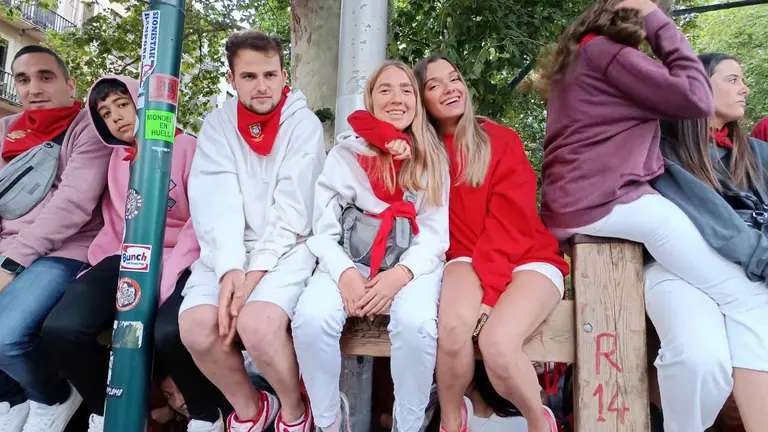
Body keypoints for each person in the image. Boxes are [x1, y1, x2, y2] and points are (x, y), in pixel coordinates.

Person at [38, 75, 230, 432]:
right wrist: (101, 273)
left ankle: (206, 416)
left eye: (122, 105)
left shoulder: (188, 147)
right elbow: (117, 221)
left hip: (182, 257)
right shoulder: (116, 159)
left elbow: (200, 222)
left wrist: (169, 275)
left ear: (142, 104)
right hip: (126, 256)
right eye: (105, 113)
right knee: (61, 328)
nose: (116, 117)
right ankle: (105, 410)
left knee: (170, 332)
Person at [178, 30, 325, 432]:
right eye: (249, 76)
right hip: (227, 249)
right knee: (197, 329)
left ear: (283, 75)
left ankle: (294, 412)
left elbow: (294, 210)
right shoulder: (218, 124)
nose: (262, 86)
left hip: (289, 245)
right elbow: (215, 199)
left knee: (257, 326)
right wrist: (230, 268)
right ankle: (251, 410)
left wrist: (252, 275)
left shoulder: (303, 124)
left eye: (269, 75)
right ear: (232, 79)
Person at [413, 55, 568, 432]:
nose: (449, 88)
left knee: (497, 343)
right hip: (465, 256)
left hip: (528, 256)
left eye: (454, 78)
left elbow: (511, 224)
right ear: (422, 100)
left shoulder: (500, 139)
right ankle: (452, 421)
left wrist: (491, 293)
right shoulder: (420, 153)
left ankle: (540, 422)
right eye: (434, 85)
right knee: (453, 329)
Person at [292, 60, 449, 432]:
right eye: (385, 90)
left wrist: (400, 275)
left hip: (409, 264)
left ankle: (408, 423)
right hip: (350, 259)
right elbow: (323, 229)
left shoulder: (431, 158)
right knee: (311, 320)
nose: (397, 98)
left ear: (417, 102)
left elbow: (433, 235)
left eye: (406, 90)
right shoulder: (345, 155)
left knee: (416, 325)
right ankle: (329, 421)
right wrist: (345, 273)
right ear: (371, 99)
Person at [648, 53, 768, 431]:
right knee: (699, 361)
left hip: (751, 270)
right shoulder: (662, 149)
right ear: (698, 86)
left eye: (743, 80)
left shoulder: (758, 153)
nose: (744, 88)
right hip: (682, 270)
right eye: (732, 79)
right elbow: (708, 217)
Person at [0, 45, 112, 432]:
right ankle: (11, 398)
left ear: (70, 83)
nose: (34, 88)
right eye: (23, 79)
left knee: (6, 337)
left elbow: (72, 205)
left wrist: (10, 262)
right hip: (9, 249)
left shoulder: (88, 127)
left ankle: (52, 396)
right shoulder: (6, 129)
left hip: (65, 250)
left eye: (45, 77)